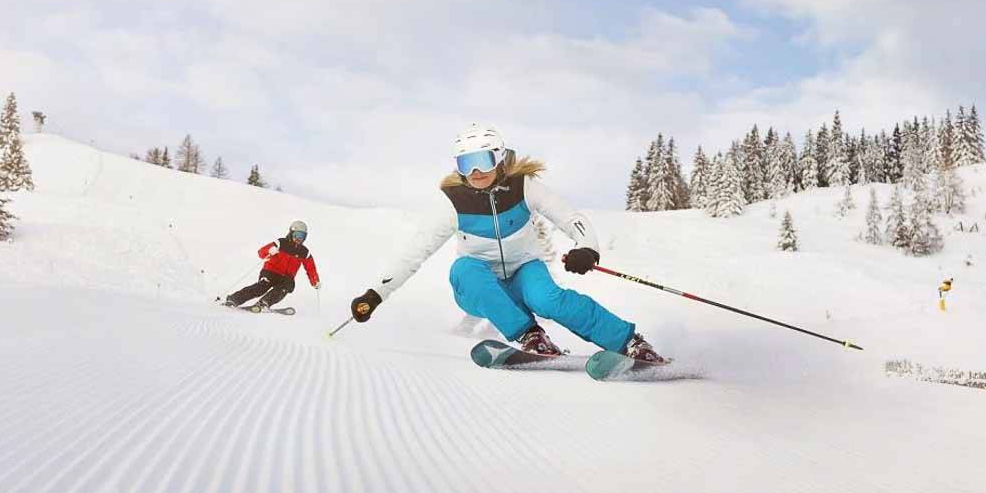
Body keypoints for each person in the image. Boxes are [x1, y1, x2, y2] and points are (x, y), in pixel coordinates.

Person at [347, 123, 664, 362]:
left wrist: (587, 248)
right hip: (478, 284)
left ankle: (630, 342)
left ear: (498, 159)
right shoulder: (452, 202)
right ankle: (531, 336)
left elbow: (570, 216)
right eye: (464, 163)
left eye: (482, 160)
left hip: (524, 270)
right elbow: (414, 254)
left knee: (548, 299)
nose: (474, 171)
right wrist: (375, 294)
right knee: (466, 269)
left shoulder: (523, 187)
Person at [223, 221, 320, 310]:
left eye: (302, 236)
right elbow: (261, 252)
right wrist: (269, 251)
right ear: (291, 233)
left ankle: (264, 303)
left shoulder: (304, 252)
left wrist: (315, 281)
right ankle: (233, 299)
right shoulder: (280, 243)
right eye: (297, 235)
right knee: (261, 287)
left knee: (288, 285)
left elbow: (311, 268)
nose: (299, 239)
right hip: (271, 272)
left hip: (286, 277)